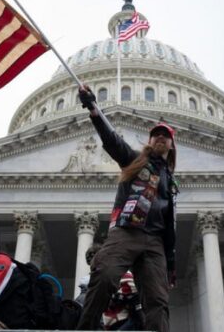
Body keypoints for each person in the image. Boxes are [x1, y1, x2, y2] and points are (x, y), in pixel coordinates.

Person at [76, 86, 179, 332]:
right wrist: (93, 108)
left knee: (157, 300)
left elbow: (169, 226)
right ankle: (85, 328)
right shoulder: (136, 161)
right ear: (150, 141)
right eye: (156, 135)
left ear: (172, 145)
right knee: (104, 276)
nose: (160, 138)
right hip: (128, 231)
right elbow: (112, 141)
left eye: (165, 136)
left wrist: (170, 265)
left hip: (155, 243)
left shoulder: (171, 182)